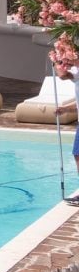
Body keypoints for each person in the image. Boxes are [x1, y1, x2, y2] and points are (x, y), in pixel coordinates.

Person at [61, 65, 79, 206]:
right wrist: (65, 109)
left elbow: (63, 75)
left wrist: (57, 61)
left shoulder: (77, 70)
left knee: (78, 154)